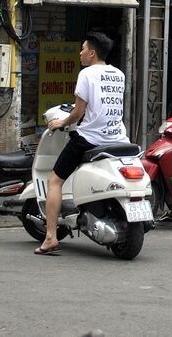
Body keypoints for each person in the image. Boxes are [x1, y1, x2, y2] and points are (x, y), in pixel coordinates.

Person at [38, 32, 130, 255]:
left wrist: (61, 122)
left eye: (82, 49)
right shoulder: (118, 74)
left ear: (92, 53)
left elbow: (78, 112)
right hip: (118, 138)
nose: (80, 53)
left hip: (91, 138)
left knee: (54, 180)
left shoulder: (87, 74)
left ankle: (50, 236)